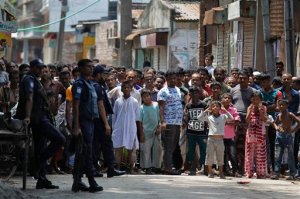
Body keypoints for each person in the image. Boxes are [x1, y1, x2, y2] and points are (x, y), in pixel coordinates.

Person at [15, 59, 65, 189]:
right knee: (60, 139)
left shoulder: (34, 79)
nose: (41, 70)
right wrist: (27, 116)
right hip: (37, 118)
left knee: (40, 148)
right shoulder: (29, 79)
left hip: (41, 116)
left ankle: (41, 179)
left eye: (42, 68)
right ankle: (37, 163)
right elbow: (29, 98)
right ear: (32, 67)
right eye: (38, 68)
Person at [72, 59, 103, 192]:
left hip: (90, 121)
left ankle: (77, 182)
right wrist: (76, 126)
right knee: (87, 152)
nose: (91, 69)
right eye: (88, 67)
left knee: (82, 153)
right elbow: (76, 105)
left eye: (92, 67)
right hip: (83, 122)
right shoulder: (79, 84)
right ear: (81, 68)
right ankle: (92, 182)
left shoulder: (89, 83)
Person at [92, 65, 126, 178]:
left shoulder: (97, 86)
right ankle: (109, 168)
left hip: (97, 120)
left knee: (98, 145)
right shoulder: (97, 86)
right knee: (106, 144)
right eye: (104, 74)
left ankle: (98, 169)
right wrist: (106, 124)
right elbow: (100, 105)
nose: (106, 77)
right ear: (98, 75)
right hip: (100, 121)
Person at [198, 101, 233, 179]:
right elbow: (199, 118)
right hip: (211, 139)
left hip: (220, 139)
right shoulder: (209, 117)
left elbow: (231, 118)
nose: (215, 107)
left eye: (217, 106)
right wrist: (206, 111)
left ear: (220, 108)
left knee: (220, 156)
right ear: (211, 108)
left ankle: (221, 173)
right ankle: (210, 172)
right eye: (213, 106)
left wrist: (225, 111)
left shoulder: (223, 116)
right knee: (209, 156)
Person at [112, 80, 141, 174]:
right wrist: (113, 128)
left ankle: (131, 169)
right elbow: (114, 116)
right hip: (119, 127)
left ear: (131, 89)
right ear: (121, 89)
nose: (126, 89)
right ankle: (118, 168)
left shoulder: (135, 101)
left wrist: (138, 130)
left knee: (131, 149)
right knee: (118, 148)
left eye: (128, 87)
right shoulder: (117, 101)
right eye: (124, 87)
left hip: (131, 127)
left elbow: (137, 118)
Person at [230, 70, 256, 174]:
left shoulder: (252, 91)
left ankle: (245, 168)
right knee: (234, 144)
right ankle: (235, 168)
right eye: (240, 78)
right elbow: (230, 104)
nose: (242, 80)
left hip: (247, 120)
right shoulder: (233, 90)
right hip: (235, 120)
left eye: (244, 78)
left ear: (248, 79)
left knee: (246, 145)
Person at [157, 70, 183, 175]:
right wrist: (162, 121)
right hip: (169, 122)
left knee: (173, 145)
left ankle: (167, 165)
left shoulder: (177, 89)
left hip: (177, 122)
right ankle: (168, 168)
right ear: (166, 79)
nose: (173, 80)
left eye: (174, 78)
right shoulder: (163, 91)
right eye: (170, 78)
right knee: (168, 145)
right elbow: (161, 107)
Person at [271, 99, 300, 180]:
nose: (281, 106)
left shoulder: (290, 114)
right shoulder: (278, 115)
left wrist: (293, 130)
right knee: (277, 155)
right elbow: (274, 123)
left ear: (287, 106)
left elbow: (299, 122)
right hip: (279, 136)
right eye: (280, 105)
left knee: (290, 156)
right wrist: (277, 128)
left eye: (283, 105)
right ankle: (276, 172)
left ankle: (292, 173)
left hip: (288, 136)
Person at [184, 86, 207, 175]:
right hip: (191, 131)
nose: (194, 95)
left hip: (202, 131)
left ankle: (203, 167)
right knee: (191, 150)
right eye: (192, 93)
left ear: (199, 94)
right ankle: (191, 168)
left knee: (203, 150)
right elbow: (186, 117)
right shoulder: (188, 105)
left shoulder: (203, 104)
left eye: (196, 93)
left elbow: (207, 117)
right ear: (190, 94)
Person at [245, 91, 268, 178]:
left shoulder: (264, 107)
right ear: (251, 99)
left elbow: (264, 119)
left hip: (260, 132)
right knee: (249, 153)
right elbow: (247, 120)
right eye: (253, 99)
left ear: (260, 99)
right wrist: (250, 111)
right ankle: (249, 172)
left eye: (257, 99)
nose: (255, 100)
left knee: (260, 152)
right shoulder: (249, 107)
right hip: (251, 131)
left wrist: (260, 110)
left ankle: (261, 173)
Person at [139, 88, 162, 174]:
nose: (146, 98)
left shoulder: (156, 105)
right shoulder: (141, 108)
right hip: (146, 132)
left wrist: (159, 127)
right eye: (144, 97)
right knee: (145, 150)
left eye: (147, 96)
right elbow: (140, 122)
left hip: (156, 130)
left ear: (150, 96)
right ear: (142, 98)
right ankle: (147, 167)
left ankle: (156, 167)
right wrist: (141, 134)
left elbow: (159, 117)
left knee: (158, 149)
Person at [221, 93, 241, 177]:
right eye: (225, 98)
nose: (227, 99)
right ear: (221, 100)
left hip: (230, 136)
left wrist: (226, 122)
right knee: (223, 154)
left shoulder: (233, 110)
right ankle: (225, 171)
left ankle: (235, 171)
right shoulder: (218, 109)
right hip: (220, 136)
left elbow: (237, 121)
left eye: (229, 98)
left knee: (232, 154)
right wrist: (230, 122)